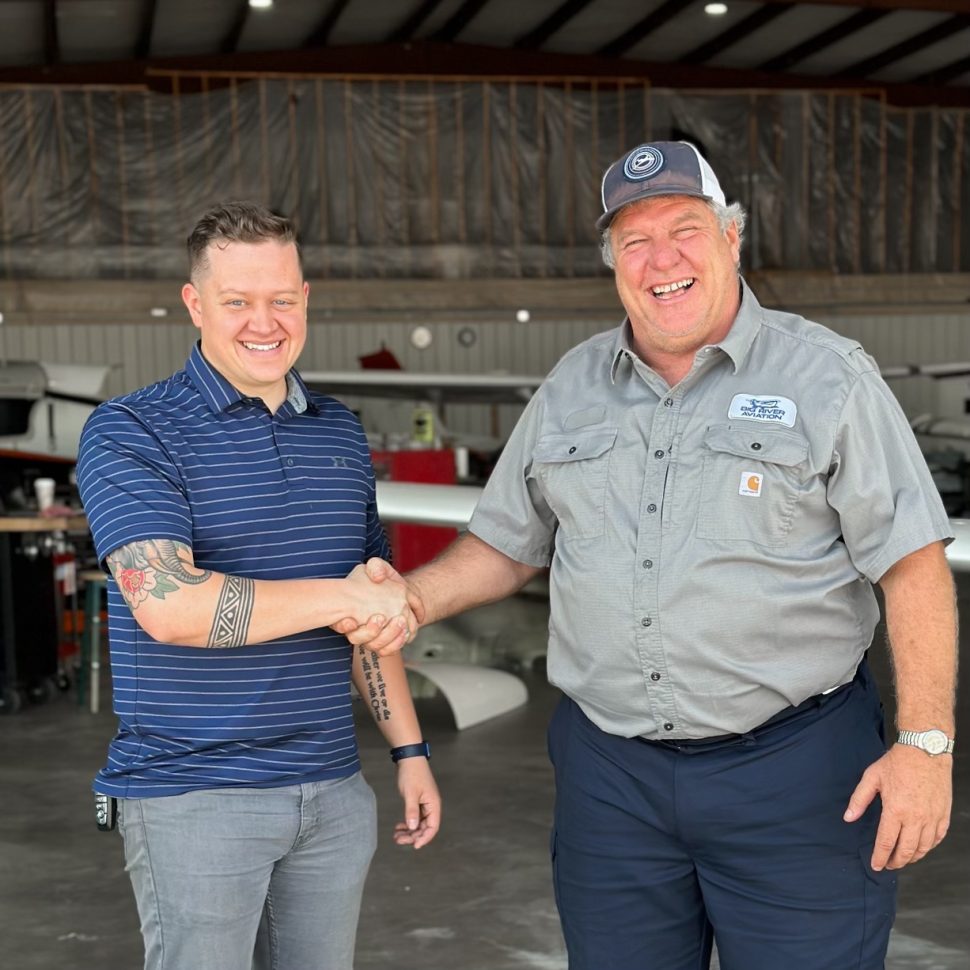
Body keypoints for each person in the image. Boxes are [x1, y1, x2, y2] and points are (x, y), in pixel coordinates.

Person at [342, 142, 957, 969]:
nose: (660, 258)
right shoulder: (571, 387)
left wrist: (925, 746)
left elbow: (911, 565)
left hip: (797, 777)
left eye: (684, 229)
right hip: (614, 783)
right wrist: (411, 601)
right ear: (614, 264)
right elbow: (505, 544)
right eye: (634, 241)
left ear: (732, 238)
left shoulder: (829, 380)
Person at [76, 200, 439, 970]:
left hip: (332, 792)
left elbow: (367, 612)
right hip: (195, 795)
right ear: (196, 303)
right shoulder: (131, 429)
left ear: (305, 297)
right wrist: (349, 598)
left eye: (281, 298)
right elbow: (170, 606)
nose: (262, 321)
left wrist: (409, 749)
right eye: (237, 301)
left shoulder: (338, 430)